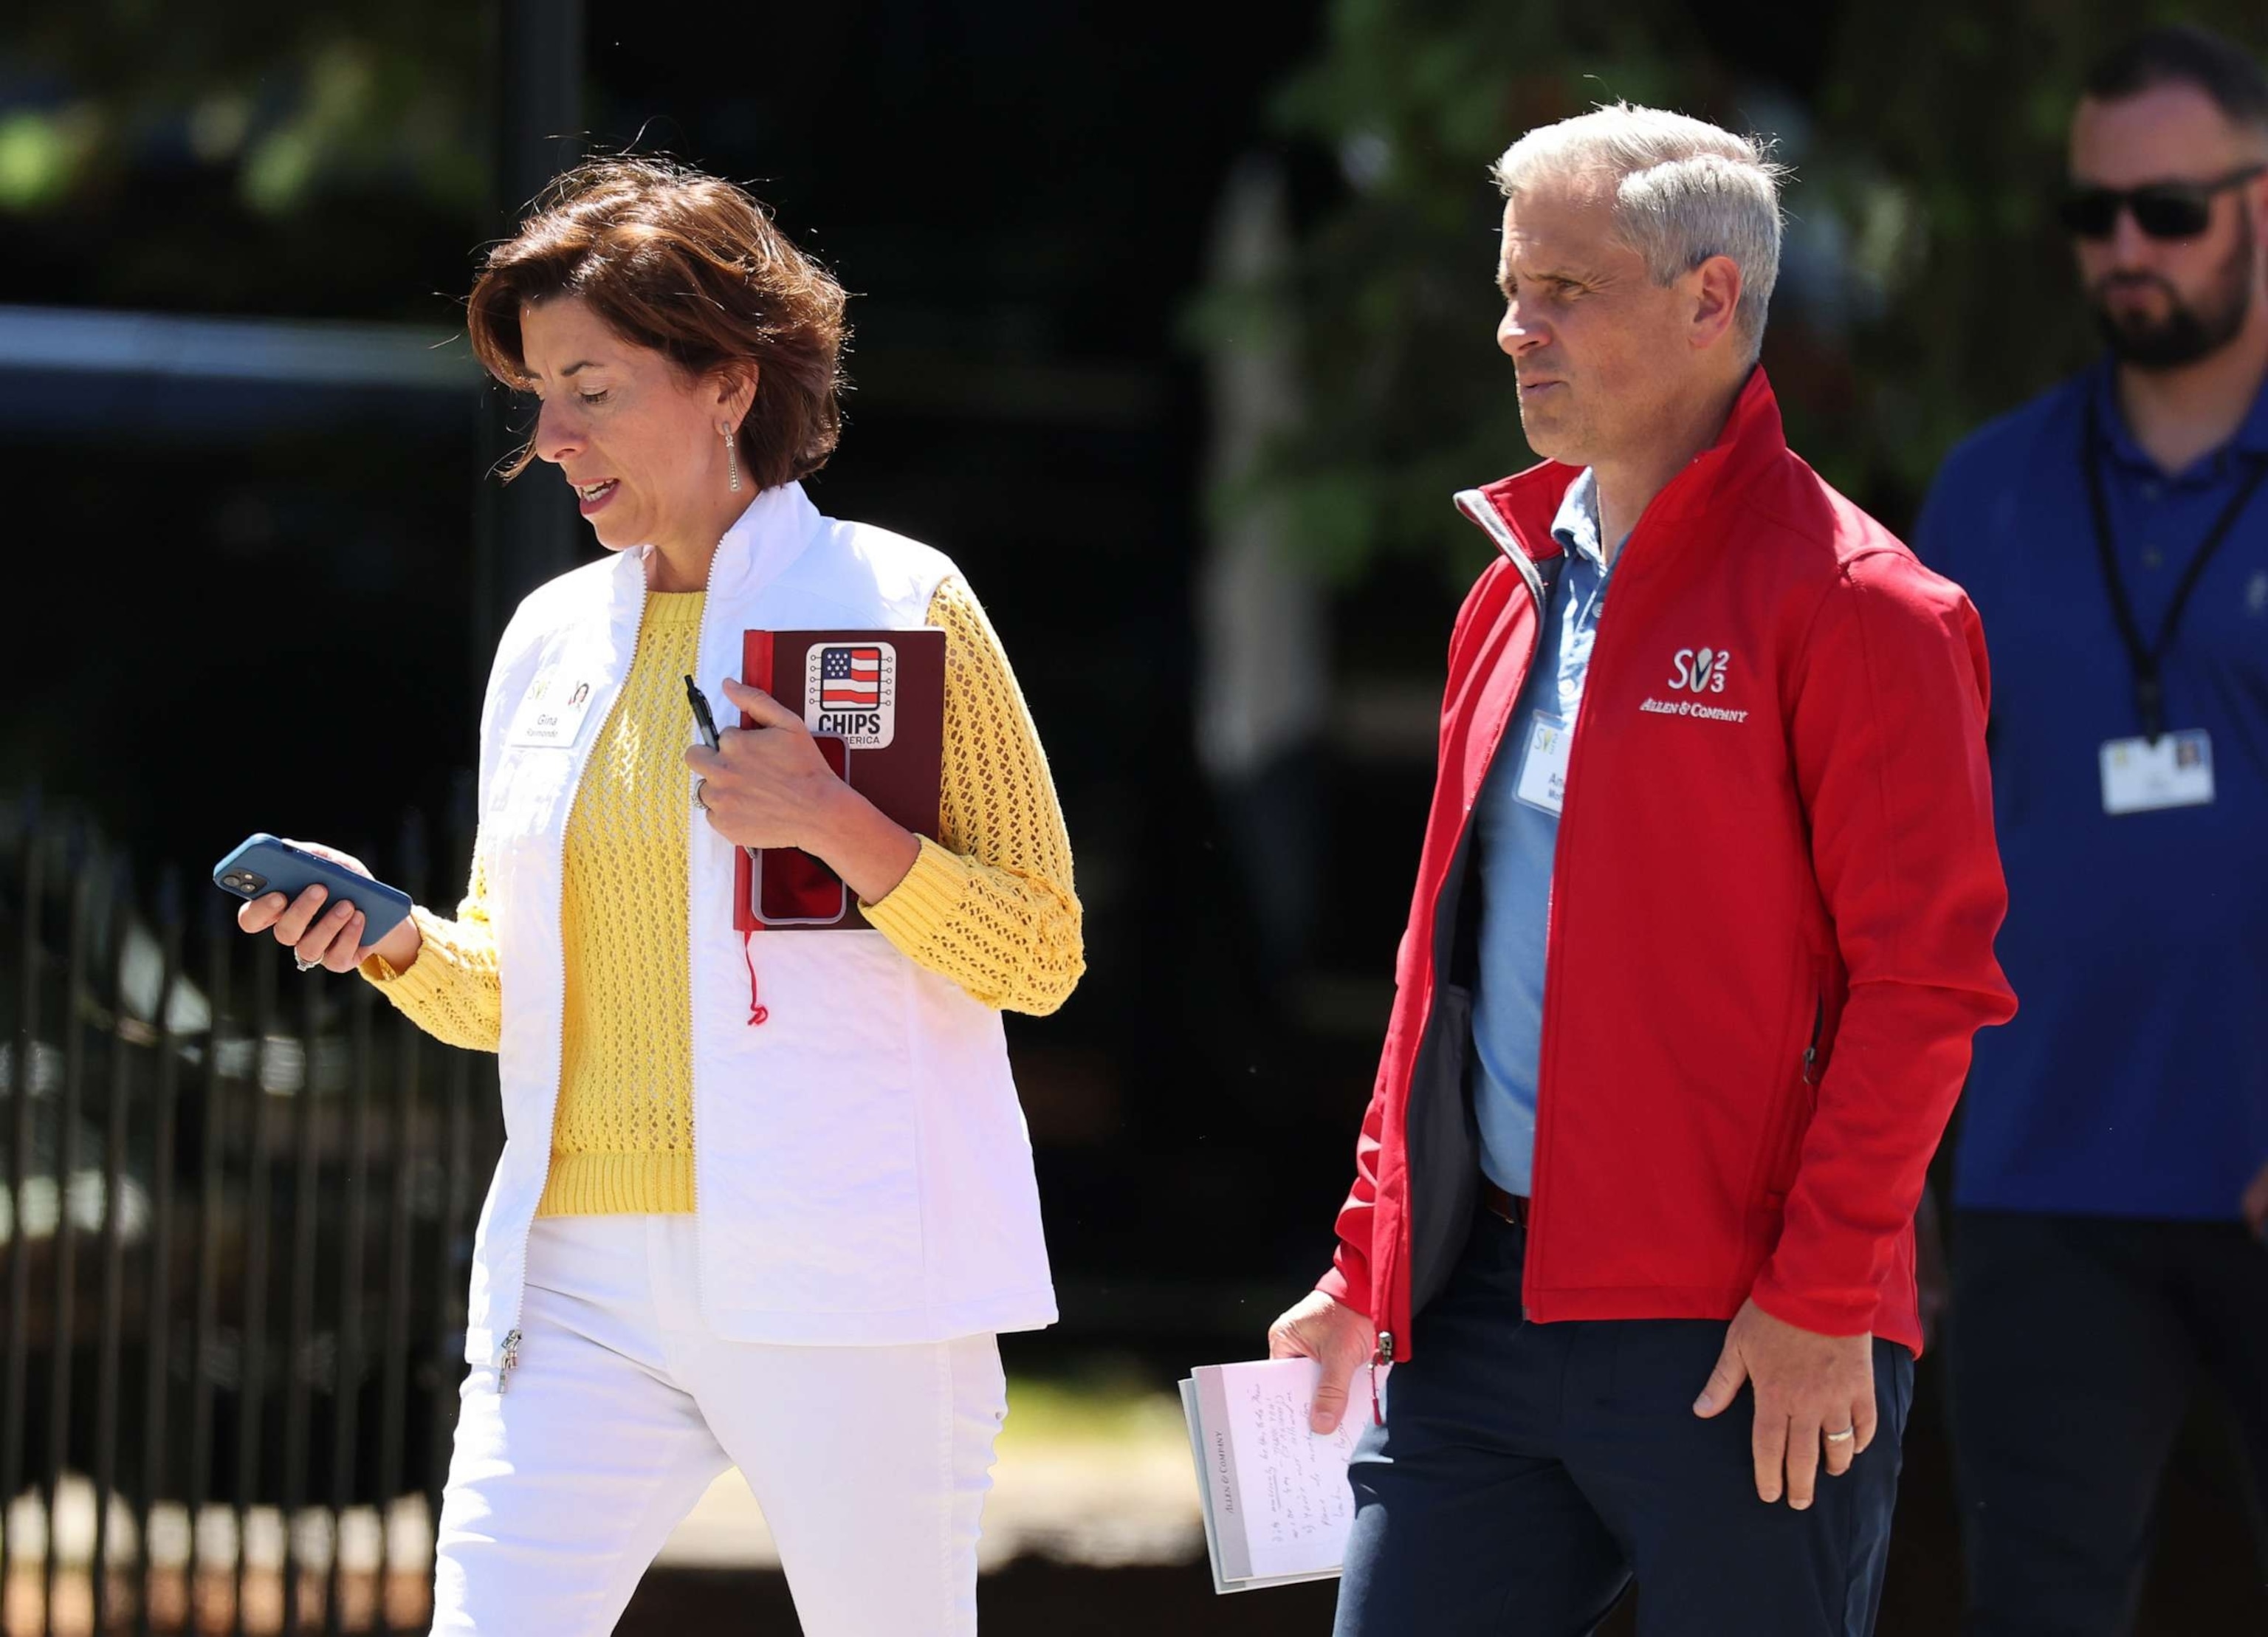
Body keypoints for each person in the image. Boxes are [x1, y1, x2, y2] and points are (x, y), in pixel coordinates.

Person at [233, 157, 1083, 1636]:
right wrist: (391, 937)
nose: (550, 438)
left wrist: (836, 823)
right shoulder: (551, 634)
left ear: (728, 383)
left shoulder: (900, 599)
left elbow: (1041, 951)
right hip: (579, 1278)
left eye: (590, 389)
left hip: (854, 1276)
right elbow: (506, 985)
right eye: (537, 395)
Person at [1266, 103, 2016, 1636]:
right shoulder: (1512, 592)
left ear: (1712, 300)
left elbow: (1925, 984)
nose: (1512, 328)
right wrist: (1369, 1256)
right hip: (1480, 1316)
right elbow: (1444, 963)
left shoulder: (1869, 603)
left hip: (1747, 1328)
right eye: (1509, 285)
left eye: (1563, 290)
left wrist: (1819, 1299)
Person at [1914, 26, 2268, 1636]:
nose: (2128, 246)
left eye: (2174, 208)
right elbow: (1910, 848)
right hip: (2043, 1167)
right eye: (2095, 211)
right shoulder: (1986, 492)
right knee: (2037, 1608)